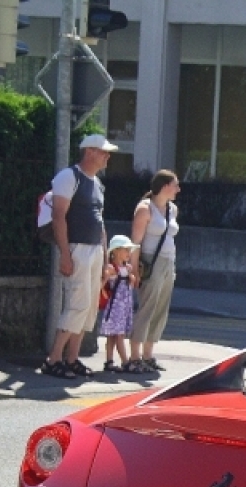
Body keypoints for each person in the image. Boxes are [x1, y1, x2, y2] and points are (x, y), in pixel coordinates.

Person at [41, 134, 118, 379]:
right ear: (90, 152)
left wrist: (106, 260)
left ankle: (72, 359)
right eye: (103, 151)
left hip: (94, 249)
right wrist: (65, 254)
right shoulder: (68, 177)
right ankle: (54, 359)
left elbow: (101, 223)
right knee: (77, 304)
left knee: (89, 309)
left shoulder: (96, 183)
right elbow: (59, 217)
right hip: (78, 248)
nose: (107, 156)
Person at [129, 170, 181, 373]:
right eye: (175, 184)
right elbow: (135, 242)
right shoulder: (145, 209)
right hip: (151, 262)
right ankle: (134, 356)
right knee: (147, 307)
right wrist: (134, 269)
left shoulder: (172, 209)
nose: (178, 189)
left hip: (169, 262)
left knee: (161, 309)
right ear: (165, 186)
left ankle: (148, 355)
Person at [98, 235, 141, 373]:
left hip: (123, 307)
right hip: (115, 307)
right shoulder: (112, 268)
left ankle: (109, 361)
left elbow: (131, 285)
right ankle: (125, 361)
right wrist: (106, 277)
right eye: (126, 250)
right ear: (115, 251)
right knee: (119, 335)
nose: (129, 253)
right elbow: (102, 284)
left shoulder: (127, 269)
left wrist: (132, 278)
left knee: (113, 335)